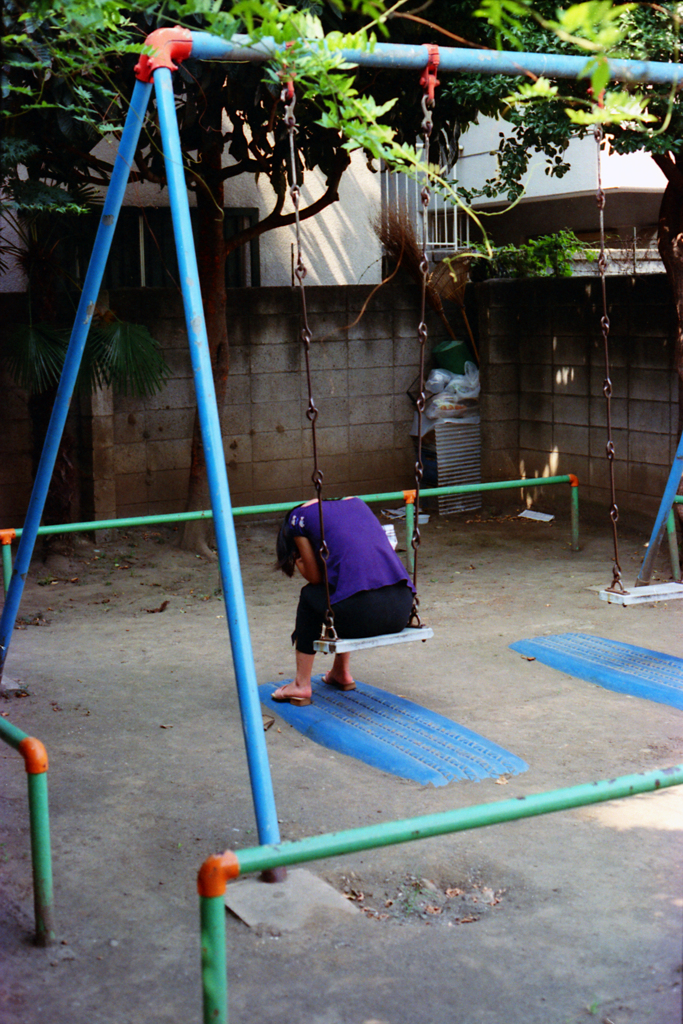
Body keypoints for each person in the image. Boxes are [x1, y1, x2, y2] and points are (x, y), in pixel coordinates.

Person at [272, 496, 415, 705]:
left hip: (362, 616)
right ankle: (341, 672)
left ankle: (301, 685)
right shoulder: (357, 504)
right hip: (401, 610)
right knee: (343, 589)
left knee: (311, 595)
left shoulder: (297, 519)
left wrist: (300, 561)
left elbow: (315, 578)